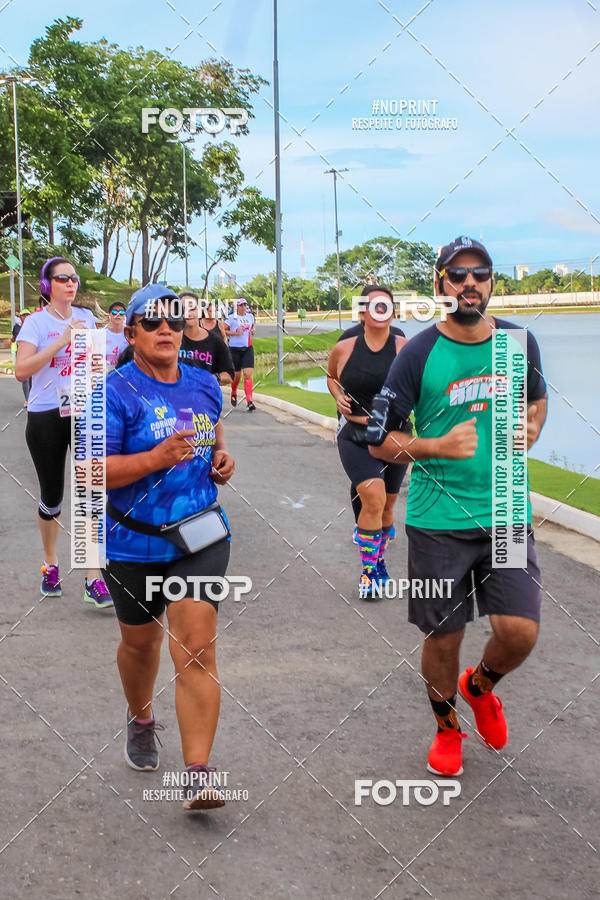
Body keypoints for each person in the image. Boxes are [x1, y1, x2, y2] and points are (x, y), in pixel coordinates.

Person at [369, 236, 548, 777]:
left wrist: (534, 426)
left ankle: (480, 687)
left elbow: (536, 401)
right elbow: (379, 440)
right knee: (443, 637)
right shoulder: (418, 354)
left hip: (508, 510)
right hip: (438, 521)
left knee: (520, 631)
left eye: (481, 273)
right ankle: (447, 730)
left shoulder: (521, 343)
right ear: (440, 283)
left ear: (493, 282)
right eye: (458, 274)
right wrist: (435, 447)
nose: (470, 283)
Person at [103, 283, 235, 811]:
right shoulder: (112, 391)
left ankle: (198, 774)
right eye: (153, 321)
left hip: (199, 535)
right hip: (133, 542)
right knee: (141, 645)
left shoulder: (204, 384)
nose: (166, 330)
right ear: (132, 331)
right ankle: (140, 717)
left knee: (196, 647)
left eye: (175, 322)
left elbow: (214, 437)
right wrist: (155, 459)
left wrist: (222, 459)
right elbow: (91, 471)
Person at [14, 257, 113, 608]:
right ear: (47, 285)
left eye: (74, 278)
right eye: (63, 278)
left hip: (84, 410)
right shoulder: (35, 324)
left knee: (90, 491)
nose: (71, 284)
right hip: (45, 416)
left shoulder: (86, 318)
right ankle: (51, 564)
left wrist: (101, 363)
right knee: (53, 496)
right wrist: (61, 342)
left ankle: (93, 577)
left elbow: (95, 363)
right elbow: (21, 371)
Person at [327, 286, 408, 598]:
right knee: (373, 497)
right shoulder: (345, 347)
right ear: (362, 312)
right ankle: (369, 573)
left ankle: (379, 558)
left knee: (387, 506)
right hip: (356, 434)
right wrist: (337, 395)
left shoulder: (404, 347)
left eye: (385, 305)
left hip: (396, 435)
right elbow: (332, 377)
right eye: (372, 305)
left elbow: (422, 385)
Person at [179, 291, 234, 383]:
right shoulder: (169, 340)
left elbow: (229, 376)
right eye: (183, 309)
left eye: (192, 308)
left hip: (204, 396)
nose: (188, 313)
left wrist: (210, 378)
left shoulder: (215, 342)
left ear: (199, 310)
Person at [224, 298, 256, 411]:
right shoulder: (231, 318)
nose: (243, 307)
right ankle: (233, 392)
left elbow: (252, 326)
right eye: (241, 305)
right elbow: (224, 330)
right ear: (236, 307)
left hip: (247, 348)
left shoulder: (250, 317)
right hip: (234, 349)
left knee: (247, 374)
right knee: (236, 377)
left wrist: (253, 330)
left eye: (244, 305)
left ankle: (250, 401)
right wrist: (235, 333)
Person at [12, 309, 33, 406]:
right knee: (25, 378)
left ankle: (33, 397)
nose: (25, 317)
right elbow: (15, 337)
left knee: (33, 378)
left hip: (33, 354)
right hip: (21, 354)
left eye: (27, 315)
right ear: (20, 317)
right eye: (23, 315)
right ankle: (27, 400)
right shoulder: (17, 327)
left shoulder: (34, 326)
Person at [102, 301, 129, 370]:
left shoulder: (130, 335)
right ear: (109, 315)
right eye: (114, 312)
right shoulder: (101, 334)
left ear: (125, 317)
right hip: (105, 373)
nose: (118, 315)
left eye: (122, 313)